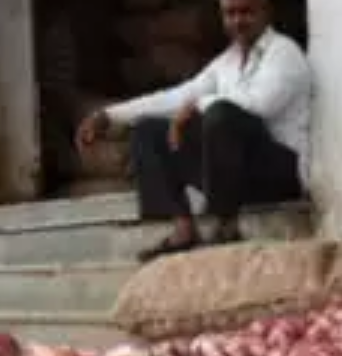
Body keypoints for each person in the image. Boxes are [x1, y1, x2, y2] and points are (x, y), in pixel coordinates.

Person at [75, 0, 313, 262]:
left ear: (267, 12)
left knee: (221, 116)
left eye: (246, 12)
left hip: (278, 173)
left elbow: (260, 104)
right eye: (230, 13)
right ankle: (183, 228)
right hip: (238, 175)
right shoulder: (227, 62)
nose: (237, 21)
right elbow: (178, 96)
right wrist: (110, 115)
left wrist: (198, 106)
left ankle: (226, 226)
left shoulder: (284, 53)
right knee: (148, 130)